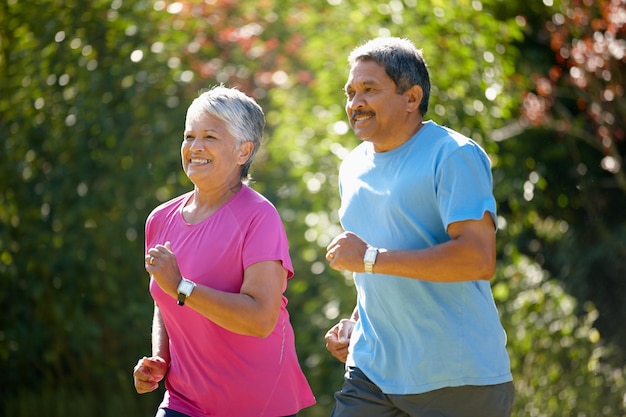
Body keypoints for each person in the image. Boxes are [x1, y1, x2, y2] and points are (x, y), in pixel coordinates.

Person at [324, 37, 514, 417]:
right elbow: (378, 264)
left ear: (411, 98)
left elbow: (478, 259)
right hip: (372, 371)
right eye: (351, 92)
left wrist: (370, 259)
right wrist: (357, 321)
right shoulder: (352, 168)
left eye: (369, 90)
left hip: (456, 379)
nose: (355, 103)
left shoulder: (454, 155)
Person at [133, 86, 315, 417]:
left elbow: (260, 319)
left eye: (210, 137)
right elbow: (166, 297)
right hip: (183, 401)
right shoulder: (160, 219)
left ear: (243, 151)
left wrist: (183, 287)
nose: (195, 147)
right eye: (189, 136)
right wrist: (161, 356)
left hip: (257, 405)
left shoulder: (259, 217)